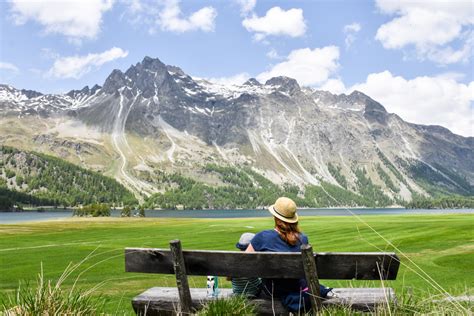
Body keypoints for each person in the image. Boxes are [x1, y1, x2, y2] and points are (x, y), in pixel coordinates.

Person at [246, 197, 332, 313]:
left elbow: (243, 263)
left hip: (272, 291)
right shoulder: (303, 239)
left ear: (276, 218)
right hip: (298, 289)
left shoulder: (262, 237)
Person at [230, 233, 262, 297]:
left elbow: (228, 278)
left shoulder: (234, 261)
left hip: (237, 293)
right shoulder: (256, 261)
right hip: (254, 293)